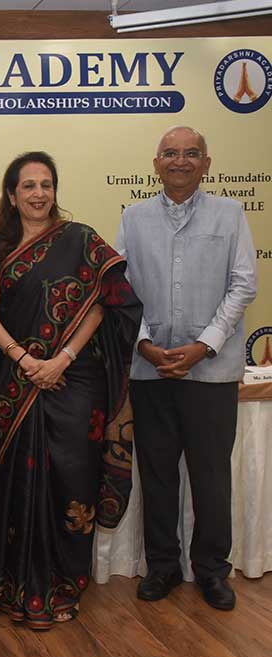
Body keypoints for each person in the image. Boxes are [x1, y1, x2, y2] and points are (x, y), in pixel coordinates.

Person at [0, 151, 141, 629]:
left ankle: (63, 586)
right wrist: (25, 359)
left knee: (73, 480)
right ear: (12, 195)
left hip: (75, 380)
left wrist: (61, 358)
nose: (38, 194)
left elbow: (103, 303)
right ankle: (14, 586)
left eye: (46, 184)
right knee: (20, 484)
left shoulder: (81, 239)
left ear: (55, 190)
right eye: (28, 186)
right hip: (17, 384)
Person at [116, 126, 257, 611]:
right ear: (156, 163)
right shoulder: (133, 218)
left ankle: (213, 570)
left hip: (211, 372)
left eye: (191, 153)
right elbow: (120, 290)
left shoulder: (230, 214)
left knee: (211, 476)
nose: (180, 161)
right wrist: (145, 345)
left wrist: (203, 345)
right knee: (157, 474)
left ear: (207, 163)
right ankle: (163, 567)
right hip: (150, 369)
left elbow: (243, 284)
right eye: (171, 153)